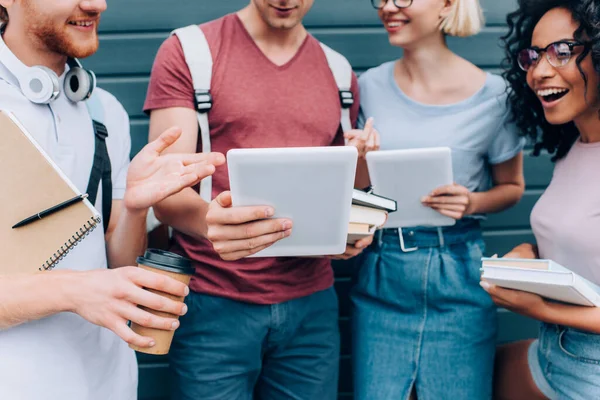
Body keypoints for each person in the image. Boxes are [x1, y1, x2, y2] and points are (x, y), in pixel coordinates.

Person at [143, 0, 378, 398]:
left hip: (312, 310)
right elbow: (164, 188)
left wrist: (353, 221)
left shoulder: (339, 72)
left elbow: (342, 189)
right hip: (212, 303)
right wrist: (211, 224)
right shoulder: (191, 51)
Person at [0, 0, 224, 399]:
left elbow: (116, 263)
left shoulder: (104, 111)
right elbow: (86, 285)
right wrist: (73, 291)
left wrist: (135, 209)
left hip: (108, 384)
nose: (97, 4)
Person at [350, 0, 526, 399]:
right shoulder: (368, 86)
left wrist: (472, 203)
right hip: (381, 274)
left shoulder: (496, 95)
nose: (389, 7)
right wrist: (359, 160)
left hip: (459, 277)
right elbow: (358, 189)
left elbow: (512, 188)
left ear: (448, 4)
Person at [484, 1, 600, 399]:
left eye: (562, 52)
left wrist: (537, 307)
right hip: (555, 352)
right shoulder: (573, 147)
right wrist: (528, 253)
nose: (540, 71)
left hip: (591, 373)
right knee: (446, 375)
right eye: (533, 56)